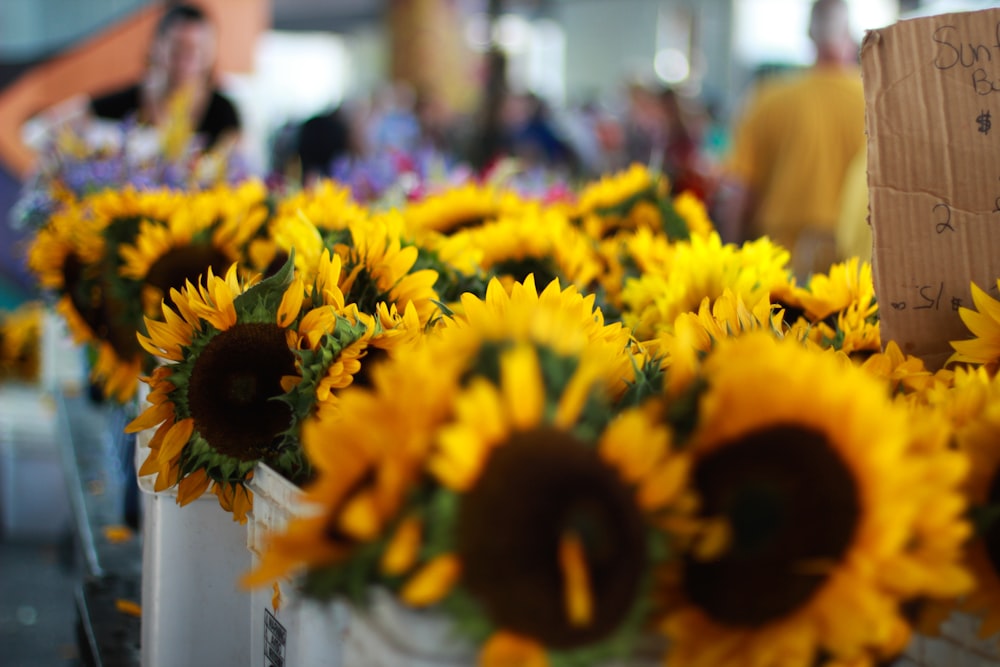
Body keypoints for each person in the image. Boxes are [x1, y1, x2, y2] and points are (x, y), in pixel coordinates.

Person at [716, 0, 865, 279]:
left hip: (778, 265)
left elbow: (740, 192)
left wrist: (729, 258)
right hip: (852, 270)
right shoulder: (875, 101)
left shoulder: (768, 98)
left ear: (809, 34)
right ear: (850, 36)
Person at [88, 3, 241, 152]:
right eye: (177, 47)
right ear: (156, 46)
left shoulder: (224, 113)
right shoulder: (127, 101)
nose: (187, 59)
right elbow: (71, 117)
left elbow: (239, 161)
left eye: (198, 49)